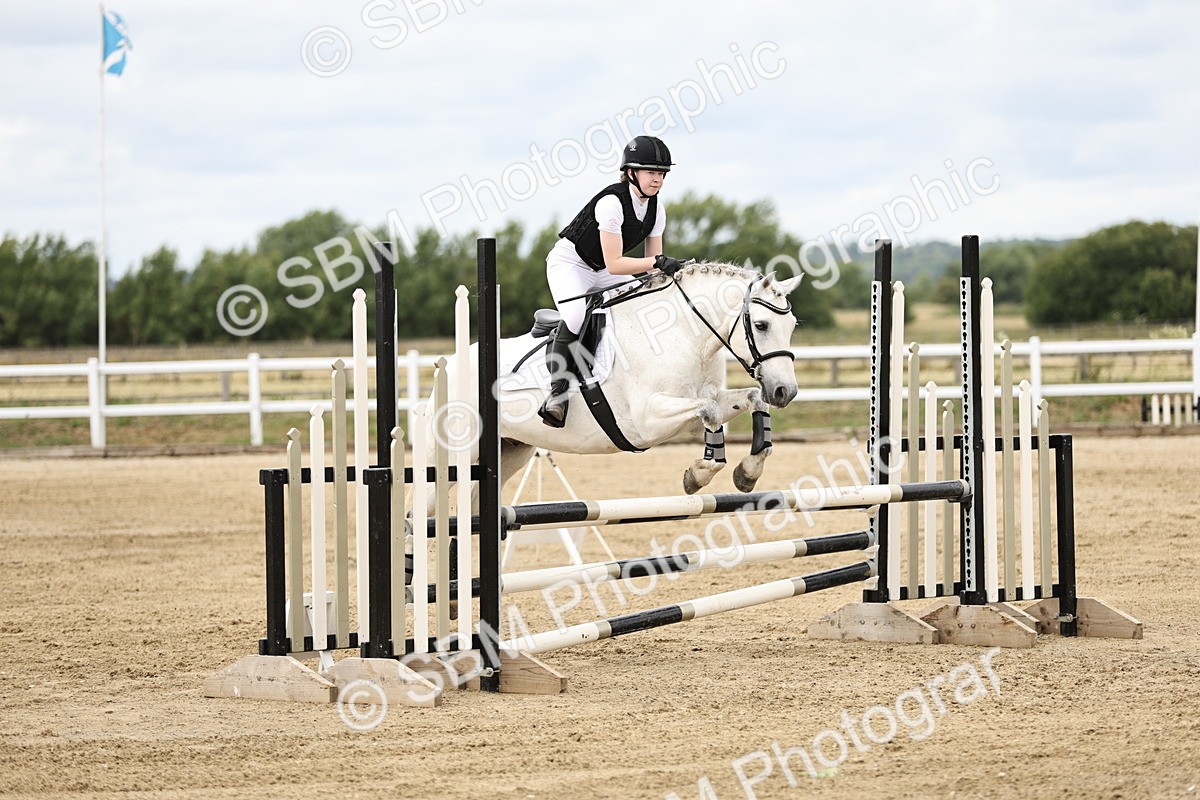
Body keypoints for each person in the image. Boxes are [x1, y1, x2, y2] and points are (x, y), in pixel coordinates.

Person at [538, 135, 686, 427]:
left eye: (662, 173)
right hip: (571, 263)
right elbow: (616, 264)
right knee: (576, 315)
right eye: (651, 172)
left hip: (603, 269)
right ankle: (557, 393)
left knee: (642, 303)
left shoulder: (657, 210)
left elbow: (652, 269)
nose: (657, 179)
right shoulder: (611, 203)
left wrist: (671, 274)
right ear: (631, 172)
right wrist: (658, 262)